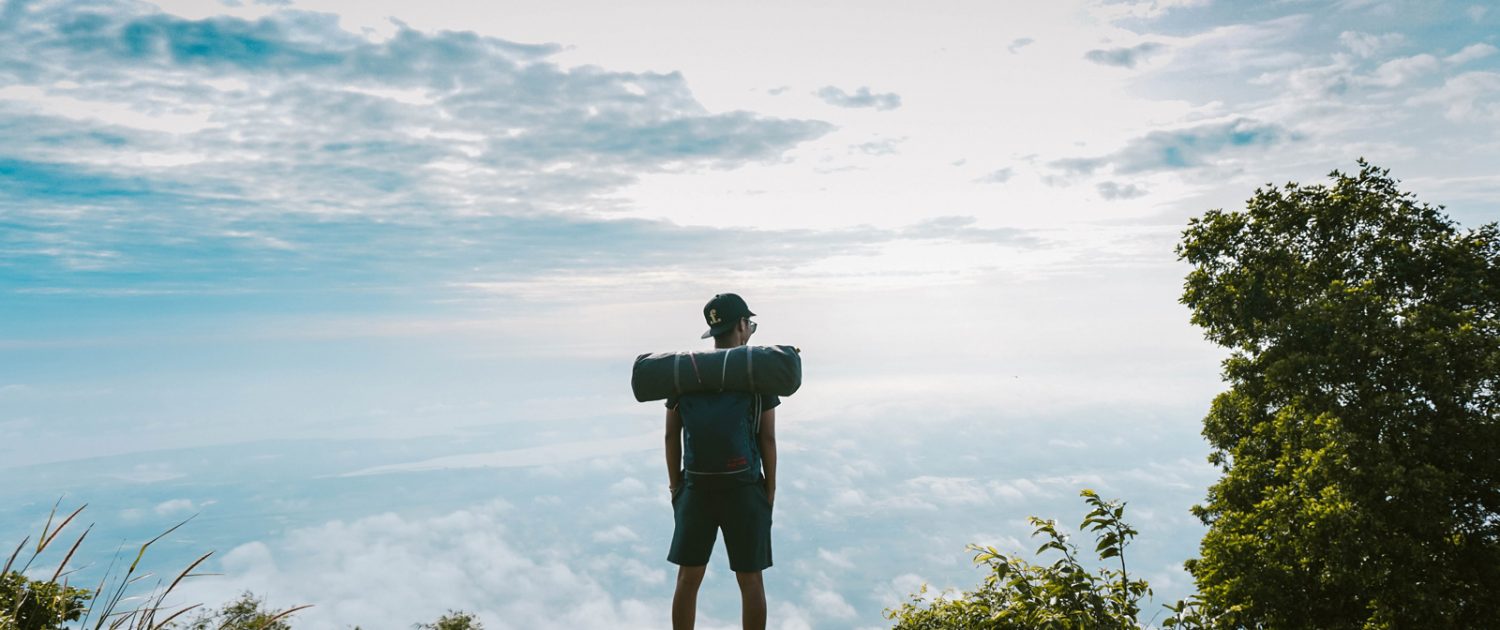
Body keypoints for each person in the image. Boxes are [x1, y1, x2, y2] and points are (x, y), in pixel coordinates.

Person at [665, 293, 778, 630]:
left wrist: (677, 486)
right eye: (750, 324)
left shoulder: (687, 372)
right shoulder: (756, 373)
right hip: (743, 488)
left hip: (696, 488)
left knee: (688, 578)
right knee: (751, 580)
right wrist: (768, 490)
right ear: (742, 325)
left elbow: (671, 436)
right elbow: (767, 438)